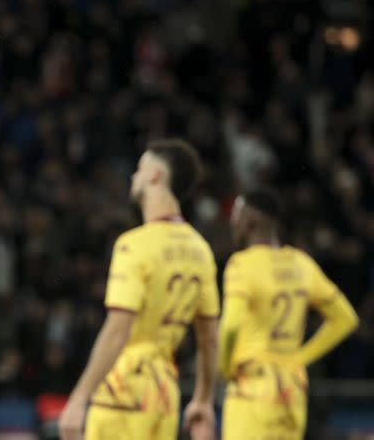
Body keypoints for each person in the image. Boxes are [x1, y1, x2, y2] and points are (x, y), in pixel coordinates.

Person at [59, 139, 220, 440]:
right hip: (165, 393)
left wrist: (80, 397)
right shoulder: (201, 250)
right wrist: (203, 399)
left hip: (125, 389)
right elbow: (209, 338)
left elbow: (119, 329)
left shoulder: (134, 245)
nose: (134, 176)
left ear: (156, 175)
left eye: (140, 169)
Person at [219, 188, 358, 440]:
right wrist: (301, 358)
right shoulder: (301, 263)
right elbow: (346, 319)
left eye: (236, 214)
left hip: (253, 387)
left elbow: (230, 326)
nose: (231, 220)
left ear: (250, 219)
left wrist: (225, 366)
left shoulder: (242, 264)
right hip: (291, 390)